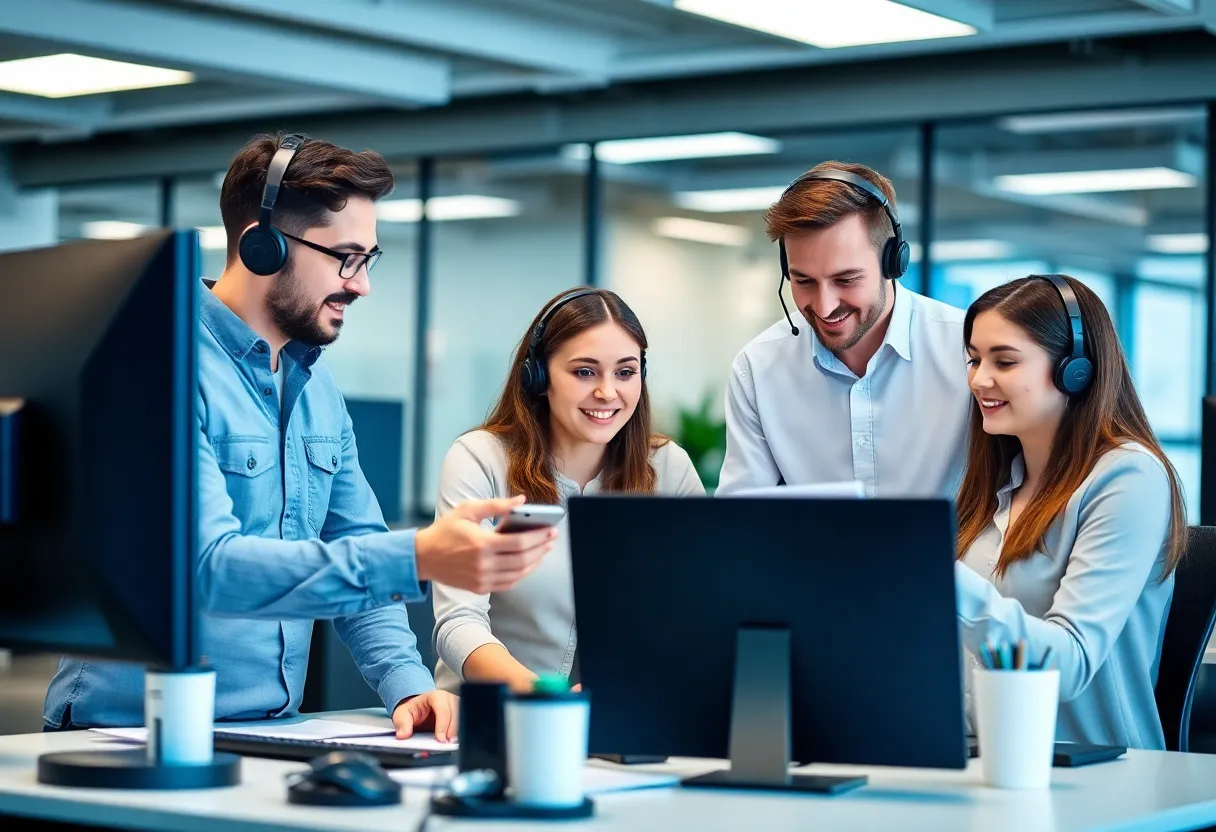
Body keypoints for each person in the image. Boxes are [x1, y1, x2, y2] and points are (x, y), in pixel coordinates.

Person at [43, 132, 556, 740]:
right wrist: (417, 554)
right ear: (261, 246)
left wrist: (408, 684)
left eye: (368, 260)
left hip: (266, 732)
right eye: (345, 258)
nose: (361, 284)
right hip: (127, 736)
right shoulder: (156, 365)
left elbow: (354, 541)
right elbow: (210, 569)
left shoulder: (315, 388)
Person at [431, 288, 705, 693]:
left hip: (622, 720)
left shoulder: (668, 468)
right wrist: (547, 698)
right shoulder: (480, 459)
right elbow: (458, 622)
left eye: (625, 372)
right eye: (584, 372)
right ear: (538, 377)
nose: (608, 392)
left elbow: (701, 611)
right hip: (495, 718)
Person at [955, 274, 1187, 750]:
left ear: (1075, 371)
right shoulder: (996, 482)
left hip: (1097, 776)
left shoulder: (1128, 478)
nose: (979, 379)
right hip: (987, 760)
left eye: (1005, 361)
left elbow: (1071, 663)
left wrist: (935, 579)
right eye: (974, 359)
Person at [715, 161, 971, 497]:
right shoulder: (758, 369)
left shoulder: (966, 350)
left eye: (846, 279)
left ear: (894, 262)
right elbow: (740, 520)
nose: (824, 306)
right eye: (803, 280)